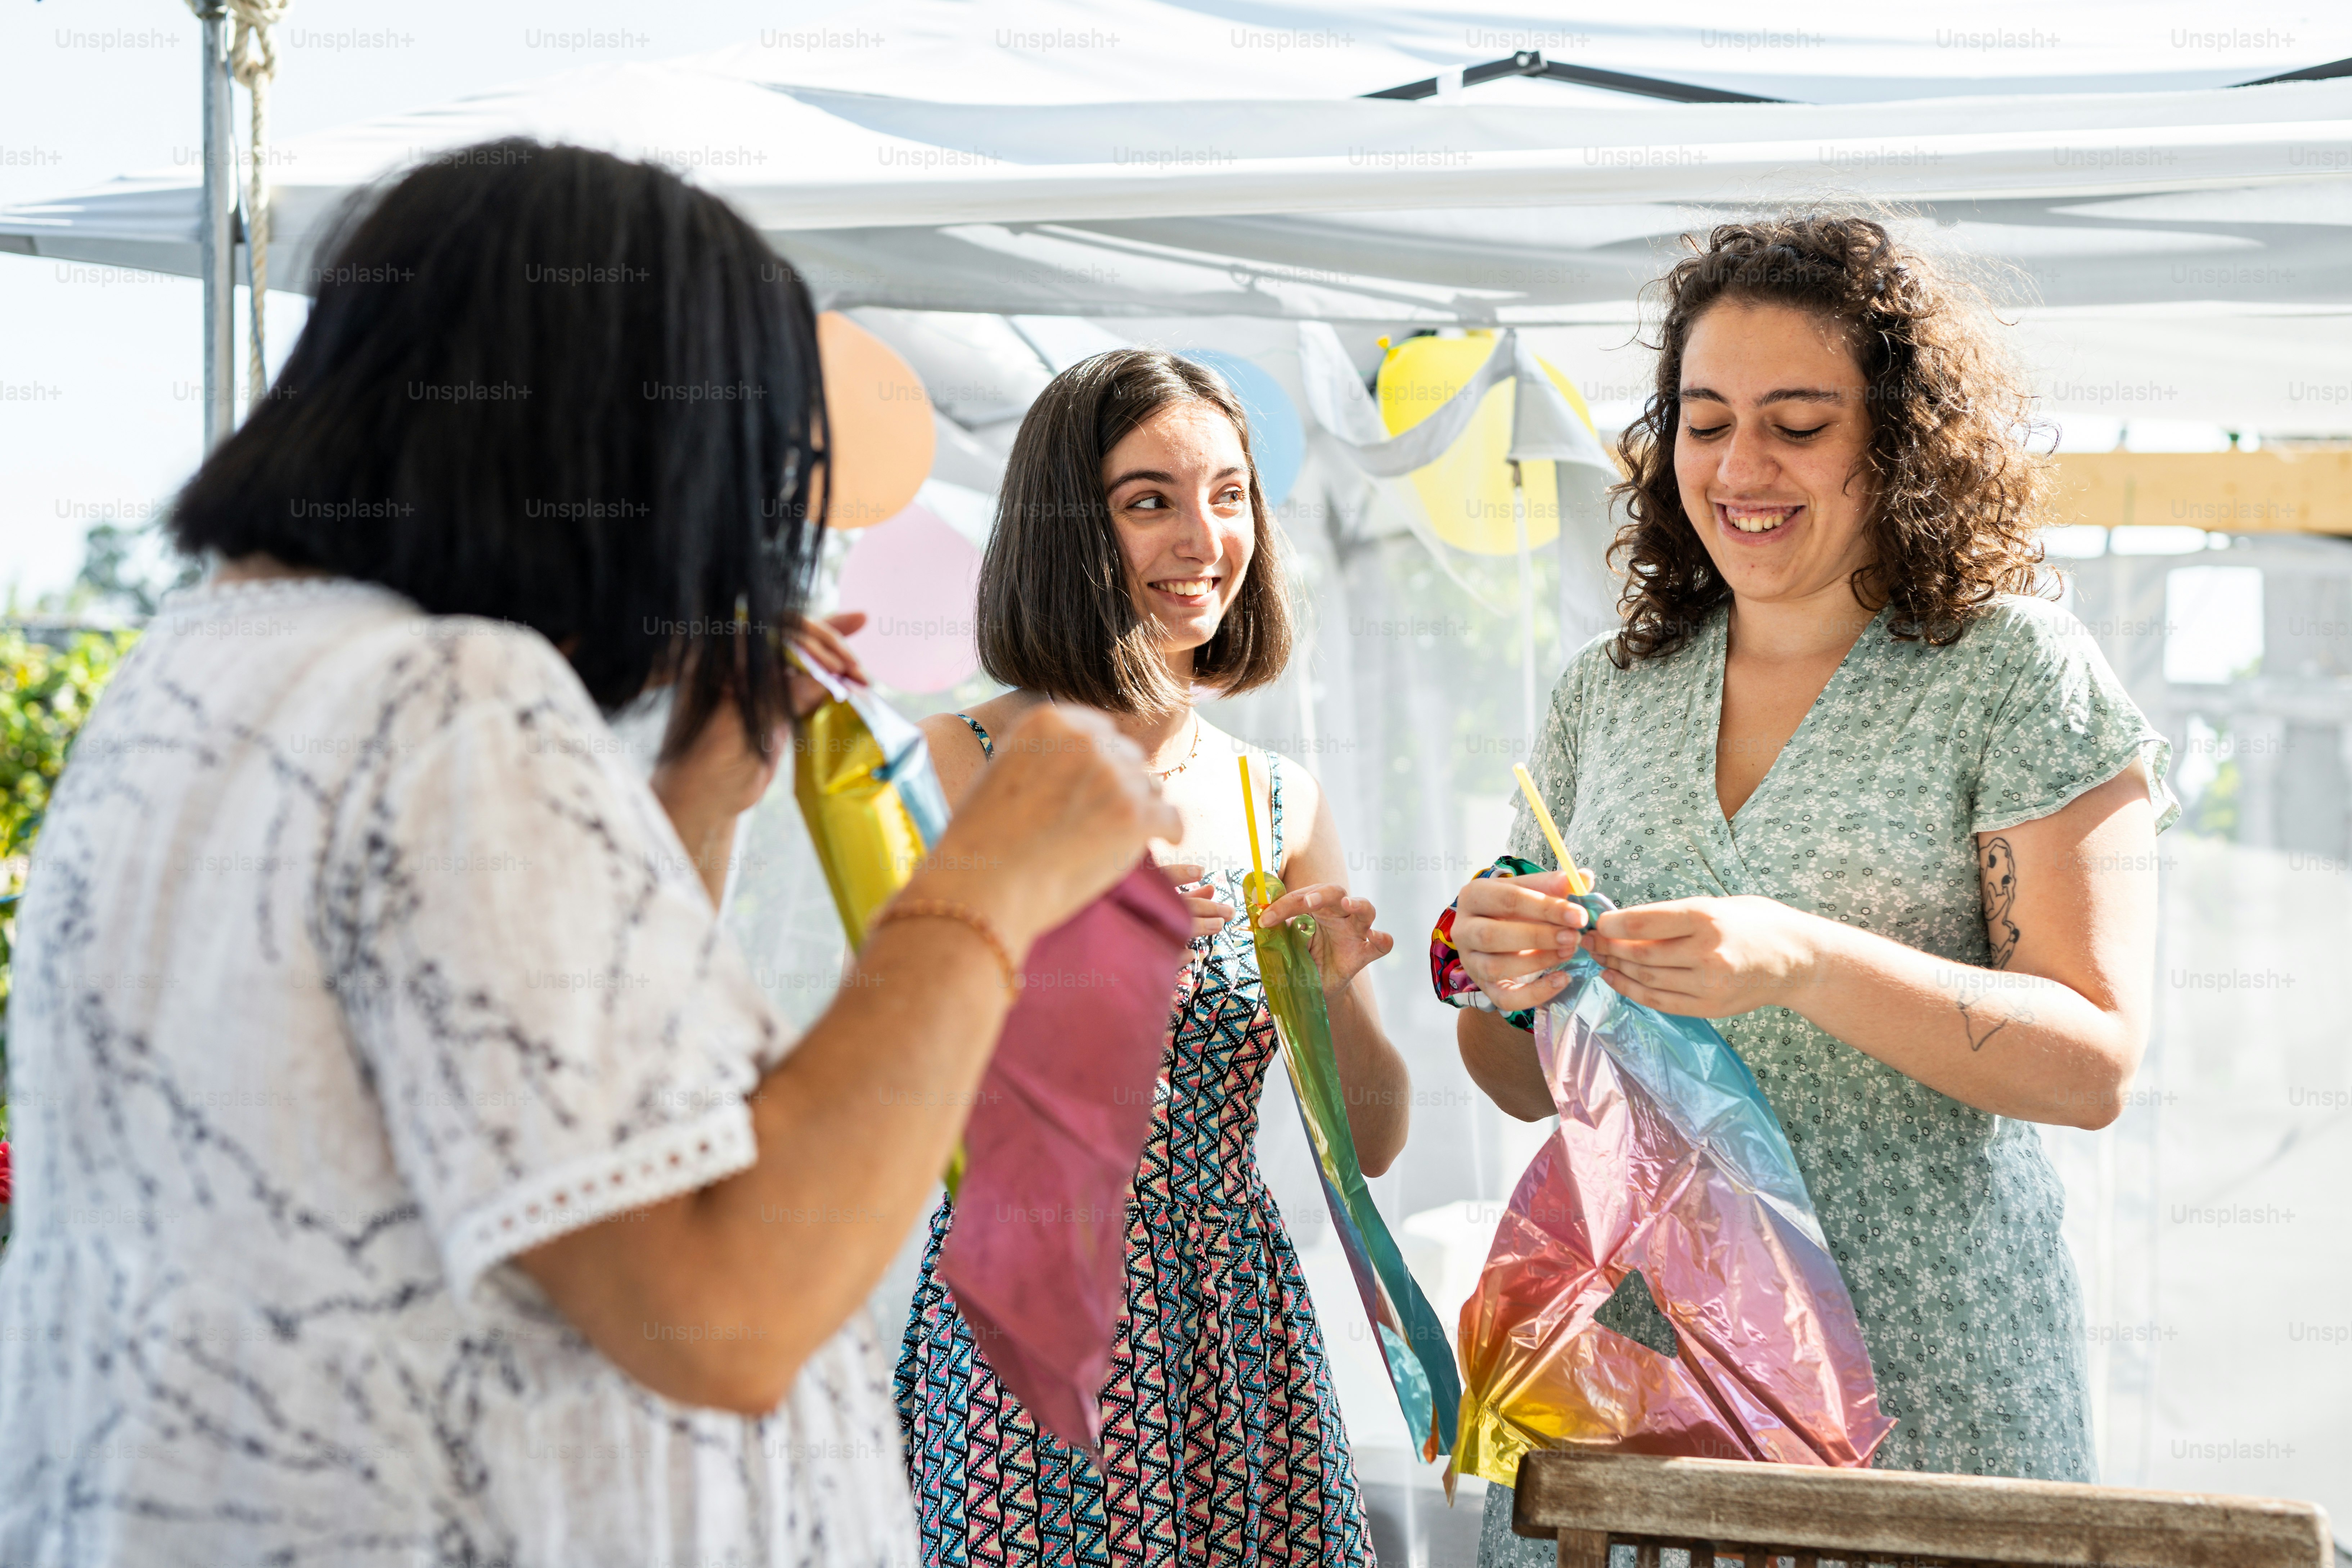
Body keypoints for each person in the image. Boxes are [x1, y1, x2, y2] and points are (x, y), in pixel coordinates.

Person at [0, 140, 1179, 1568]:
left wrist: (694, 798)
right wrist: (984, 889)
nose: (740, 536)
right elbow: (727, 1305)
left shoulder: (191, 678)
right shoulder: (450, 704)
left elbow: (536, 1117)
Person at [1434, 217, 2175, 1564]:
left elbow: (2094, 1060)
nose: (1741, 466)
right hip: (1638, 1398)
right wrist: (1508, 982)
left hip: (1926, 1400)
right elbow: (1527, 1079)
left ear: (1898, 440)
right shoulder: (1607, 694)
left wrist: (1802, 959)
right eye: (1706, 421)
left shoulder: (2012, 672)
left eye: (1798, 422)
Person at [895, 349, 1409, 1566]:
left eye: (1229, 494)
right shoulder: (952, 763)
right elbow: (896, 1099)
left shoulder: (1275, 797)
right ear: (1068, 529)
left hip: (1237, 1325)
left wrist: (1334, 992)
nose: (1204, 537)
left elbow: (1374, 1143)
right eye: (1150, 500)